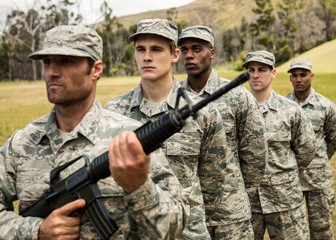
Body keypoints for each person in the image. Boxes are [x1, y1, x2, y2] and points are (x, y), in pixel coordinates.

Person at [0, 25, 188, 239]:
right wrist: (35, 231)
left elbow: (175, 226)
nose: (52, 72)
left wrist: (139, 186)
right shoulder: (22, 143)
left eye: (66, 61)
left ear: (96, 69)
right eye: (47, 62)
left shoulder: (130, 138)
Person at [105, 19, 229, 240]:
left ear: (175, 55)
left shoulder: (203, 113)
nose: (147, 57)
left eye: (156, 49)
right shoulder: (113, 114)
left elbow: (213, 183)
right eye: (140, 49)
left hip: (188, 233)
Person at [177, 25, 267, 239]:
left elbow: (255, 154)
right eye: (184, 49)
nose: (189, 55)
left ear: (212, 53)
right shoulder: (174, 99)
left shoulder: (237, 96)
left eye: (197, 49)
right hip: (187, 214)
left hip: (230, 215)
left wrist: (236, 193)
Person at [243, 50, 316, 240]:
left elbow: (306, 150)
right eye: (251, 70)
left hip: (284, 200)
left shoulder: (290, 110)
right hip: (247, 202)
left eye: (262, 70)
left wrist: (284, 176)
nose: (256, 75)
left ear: (273, 72)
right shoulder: (237, 110)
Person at [286, 59, 336, 239]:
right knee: (293, 231)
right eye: (294, 75)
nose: (298, 79)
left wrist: (319, 160)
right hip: (291, 178)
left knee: (322, 230)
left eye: (303, 75)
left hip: (318, 180)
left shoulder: (327, 107)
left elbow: (334, 138)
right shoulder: (284, 105)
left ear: (312, 76)